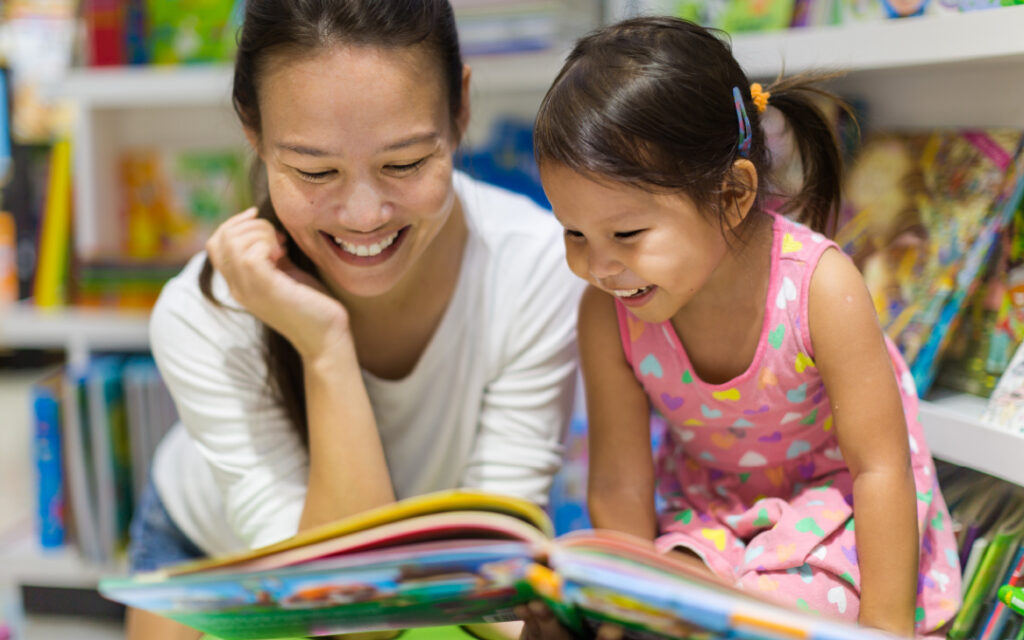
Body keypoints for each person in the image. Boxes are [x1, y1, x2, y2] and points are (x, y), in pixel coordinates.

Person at [126, 1, 583, 638]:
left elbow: (486, 571)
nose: (365, 215)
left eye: (404, 163)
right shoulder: (204, 315)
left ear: (460, 111)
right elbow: (342, 624)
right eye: (316, 170)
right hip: (209, 554)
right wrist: (324, 346)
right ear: (252, 131)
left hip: (417, 578)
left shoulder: (534, 270)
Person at [528, 16, 962, 638]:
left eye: (626, 234)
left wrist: (885, 626)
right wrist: (622, 612)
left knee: (771, 616)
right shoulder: (608, 311)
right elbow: (622, 483)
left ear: (733, 194)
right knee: (671, 612)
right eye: (573, 232)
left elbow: (880, 470)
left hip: (835, 511)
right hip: (710, 515)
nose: (598, 266)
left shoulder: (821, 287)